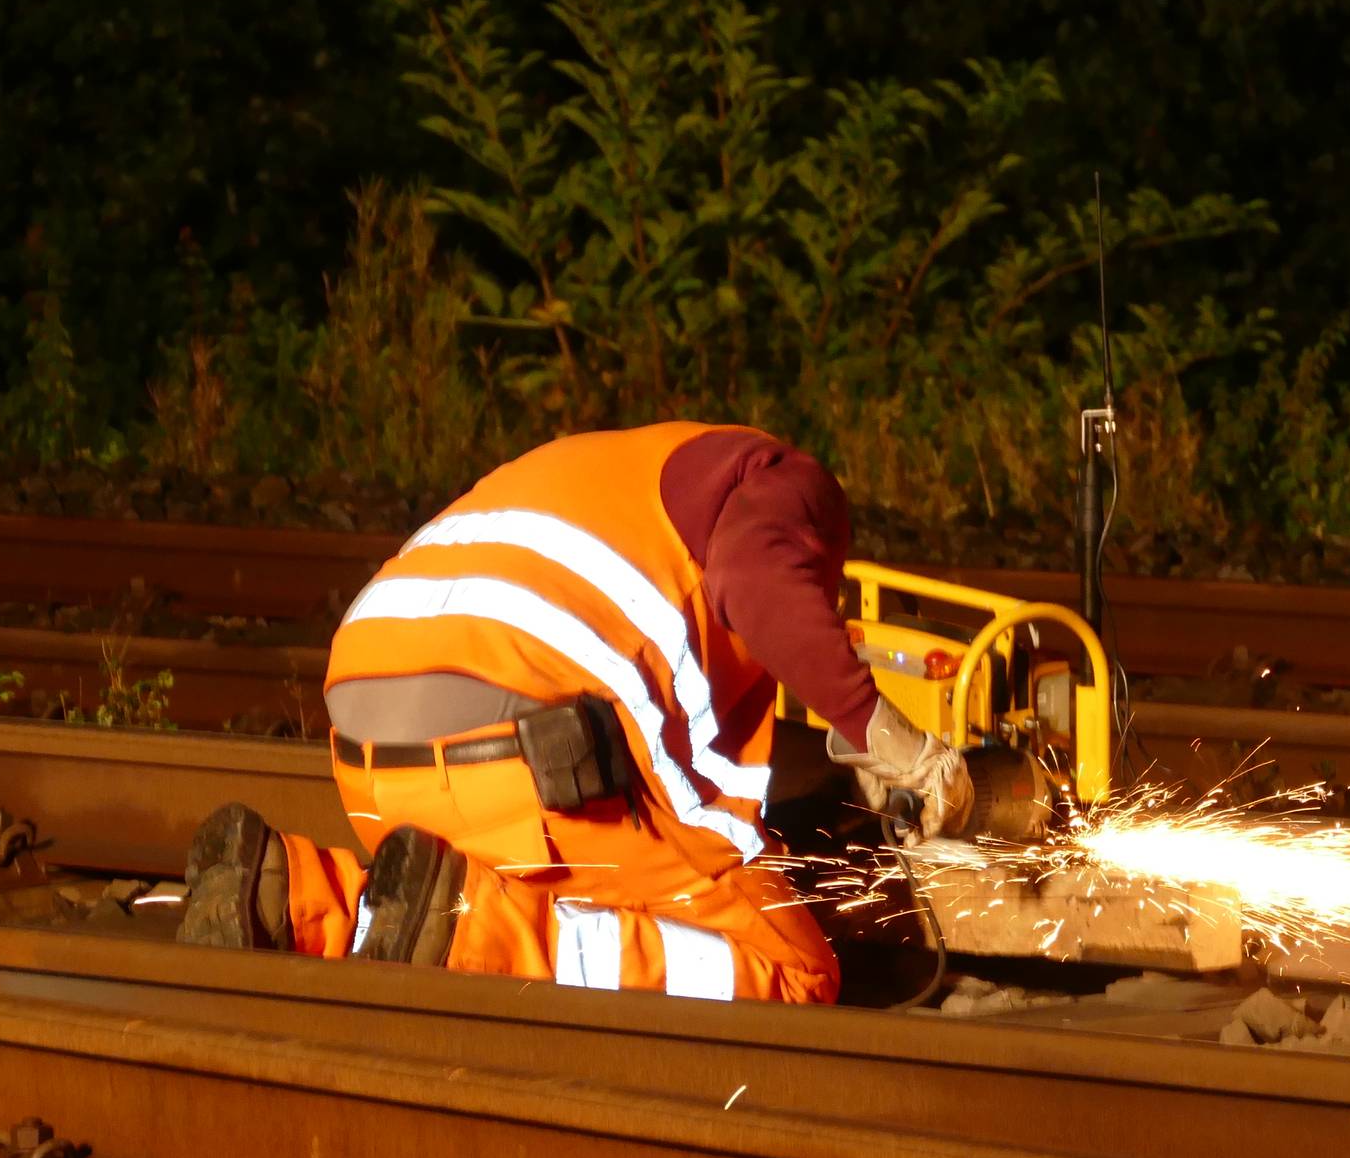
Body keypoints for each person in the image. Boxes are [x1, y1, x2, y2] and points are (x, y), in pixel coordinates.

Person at [174, 422, 971, 1004]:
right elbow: (760, 584)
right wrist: (889, 739)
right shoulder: (782, 481)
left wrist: (841, 765)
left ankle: (295, 895)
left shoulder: (604, 482)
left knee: (556, 883)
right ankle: (469, 939)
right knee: (794, 972)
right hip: (527, 760)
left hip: (372, 761)